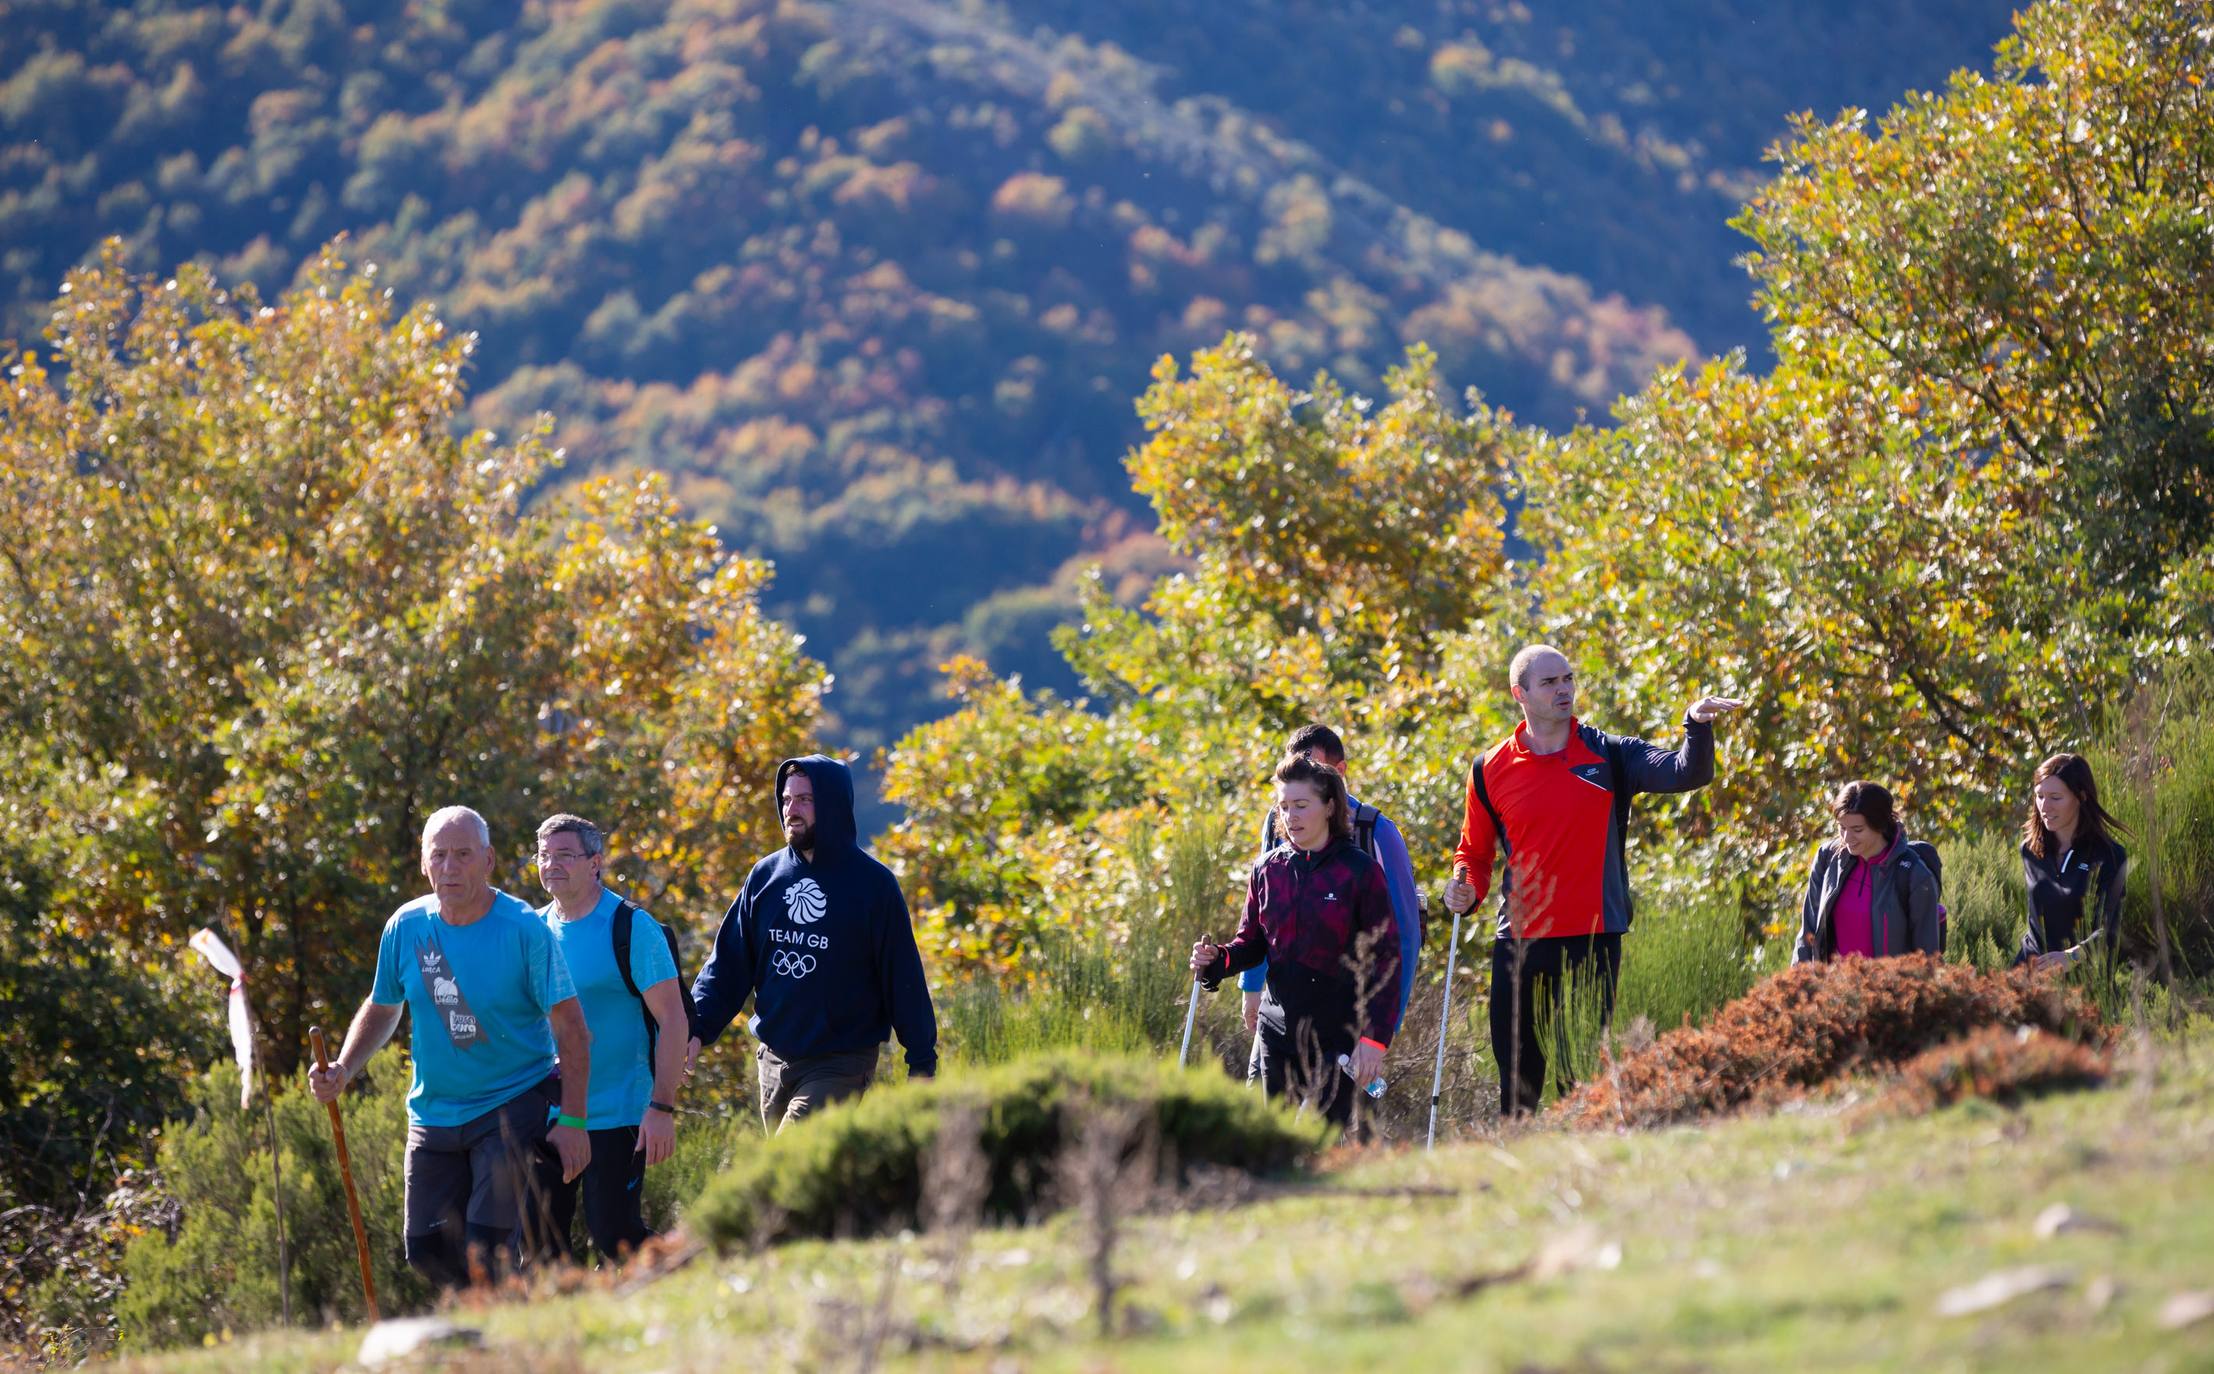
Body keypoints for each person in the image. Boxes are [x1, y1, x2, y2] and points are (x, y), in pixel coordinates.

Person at [1443, 645, 1742, 1116]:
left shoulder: (1610, 754)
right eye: (1549, 682)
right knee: (1517, 1082)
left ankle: (1589, 1174)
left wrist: (1696, 725)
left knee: (1580, 1080)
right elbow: (1474, 855)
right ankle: (1516, 1178)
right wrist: (1463, 886)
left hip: (1593, 939)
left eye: (1567, 679)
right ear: (1518, 693)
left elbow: (1687, 772)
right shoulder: (1489, 769)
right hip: (1518, 942)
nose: (1564, 689)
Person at [308, 806, 591, 1287]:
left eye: (463, 855)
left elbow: (572, 1029)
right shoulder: (407, 927)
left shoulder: (523, 929)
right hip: (434, 1114)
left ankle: (501, 1344)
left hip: (512, 1104)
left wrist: (574, 1121)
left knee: (489, 1249)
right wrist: (343, 1067)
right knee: (427, 1251)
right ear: (423, 864)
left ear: (488, 860)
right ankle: (500, 1317)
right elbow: (383, 1006)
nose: (449, 867)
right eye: (438, 855)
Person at [690, 755, 938, 1131]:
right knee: (802, 1184)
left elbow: (902, 977)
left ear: (833, 804)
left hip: (839, 1063)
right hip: (773, 1060)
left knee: (781, 1168)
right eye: (787, 800)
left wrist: (921, 1061)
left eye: (805, 800)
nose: (792, 810)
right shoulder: (765, 876)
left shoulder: (873, 886)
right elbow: (728, 963)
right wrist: (696, 1026)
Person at [1190, 753, 1403, 1128]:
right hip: (1276, 1033)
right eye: (1284, 807)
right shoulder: (1267, 869)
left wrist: (1374, 1040)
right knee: (1267, 1140)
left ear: (1330, 807)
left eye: (1302, 805)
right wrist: (1217, 960)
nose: (1291, 817)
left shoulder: (1359, 872)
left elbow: (1386, 959)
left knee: (1320, 1150)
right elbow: (1252, 944)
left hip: (1338, 1038)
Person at [531, 813, 690, 1263]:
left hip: (618, 1113)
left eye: (565, 855)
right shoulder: (534, 930)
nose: (552, 865)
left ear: (595, 862)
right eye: (544, 856)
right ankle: (563, 1331)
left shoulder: (631, 928)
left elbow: (674, 1021)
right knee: (541, 1245)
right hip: (548, 1114)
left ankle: (686, 1279)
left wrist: (661, 1108)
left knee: (614, 1233)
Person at [1240, 725, 1422, 1073]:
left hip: (1349, 1018)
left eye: (1315, 771)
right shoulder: (1278, 823)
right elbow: (1262, 919)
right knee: (1265, 1116)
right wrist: (1251, 987)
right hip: (1279, 1013)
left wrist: (1381, 1030)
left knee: (1332, 1122)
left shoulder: (1377, 832)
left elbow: (1404, 935)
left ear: (1339, 774)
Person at [1792, 780, 1943, 965]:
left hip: (1887, 992)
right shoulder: (1827, 858)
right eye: (1842, 827)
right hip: (1833, 990)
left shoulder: (1914, 875)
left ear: (1879, 826)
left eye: (1857, 829)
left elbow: (1927, 958)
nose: (1846, 838)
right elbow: (1808, 932)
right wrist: (1797, 986)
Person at [2017, 753, 2129, 973]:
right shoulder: (2030, 850)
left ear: (2081, 797)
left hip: (2085, 986)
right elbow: (2035, 928)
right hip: (2031, 979)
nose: (2044, 806)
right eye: (2039, 796)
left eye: (2055, 797)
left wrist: (2073, 956)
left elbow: (2111, 929)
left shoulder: (2109, 856)